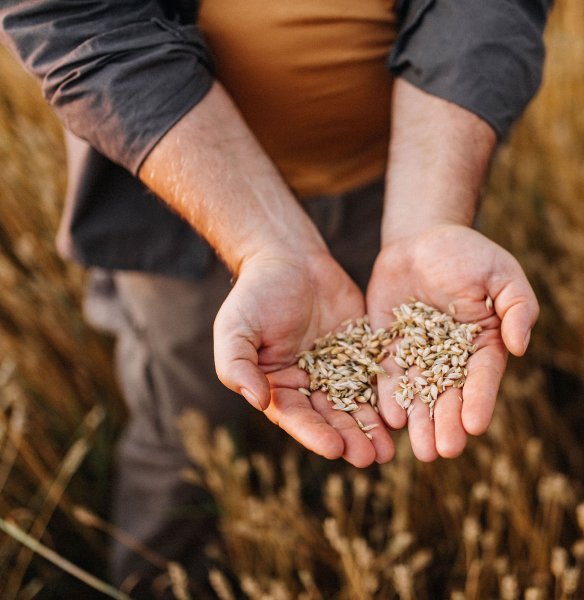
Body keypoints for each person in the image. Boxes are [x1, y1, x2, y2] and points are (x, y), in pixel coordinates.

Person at [1, 0, 549, 595]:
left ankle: (337, 542)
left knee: (369, 425)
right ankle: (157, 578)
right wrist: (265, 241)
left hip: (402, 172)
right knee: (182, 422)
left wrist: (429, 215)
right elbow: (75, 21)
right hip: (185, 188)